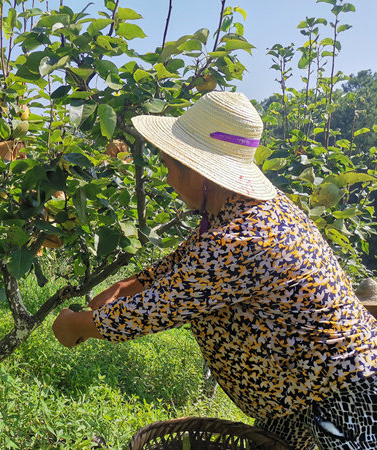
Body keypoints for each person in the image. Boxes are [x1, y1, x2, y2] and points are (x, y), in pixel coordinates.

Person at [52, 91, 377, 449]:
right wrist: (129, 284)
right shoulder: (242, 214)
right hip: (299, 393)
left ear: (196, 172)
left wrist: (77, 324)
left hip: (347, 395)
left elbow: (151, 312)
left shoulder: (245, 237)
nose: (167, 178)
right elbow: (184, 261)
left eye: (168, 166)